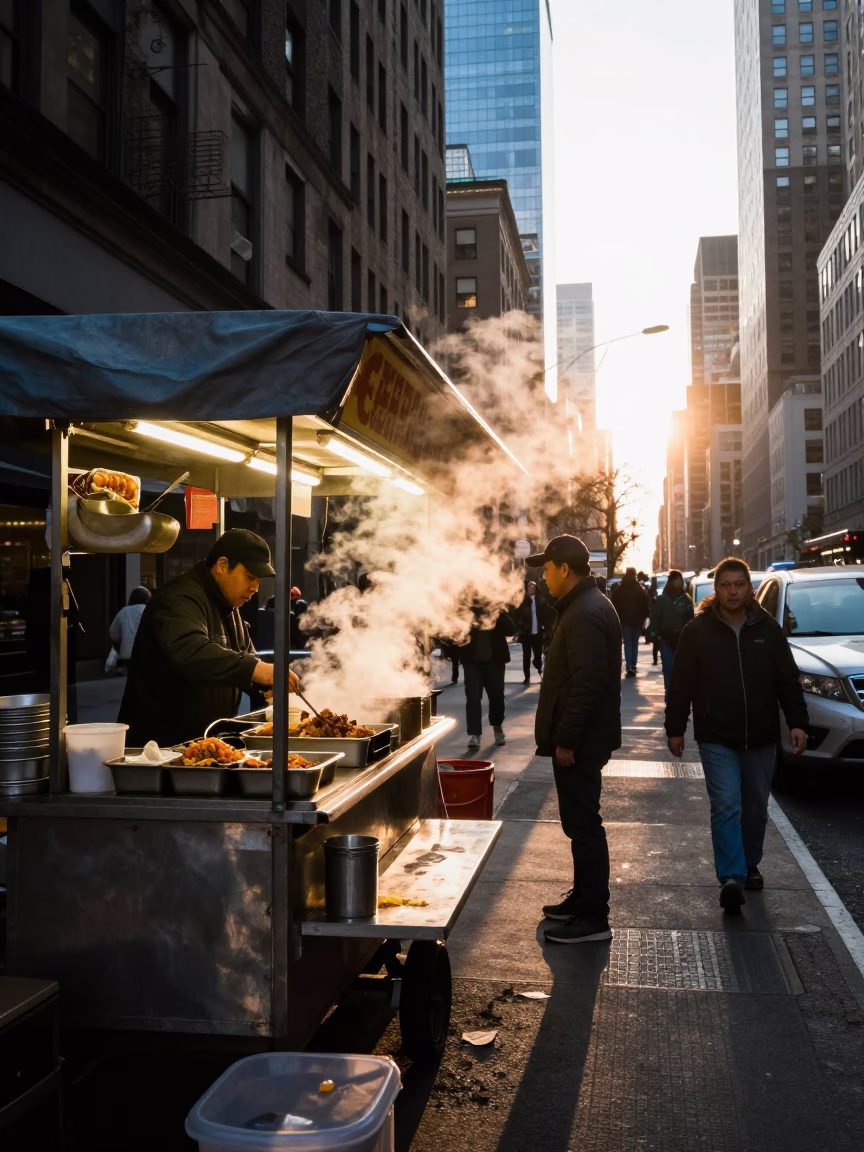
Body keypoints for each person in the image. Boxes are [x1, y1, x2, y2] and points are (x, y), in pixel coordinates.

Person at [665, 557, 808, 913]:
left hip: (761, 735)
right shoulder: (697, 631)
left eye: (739, 585)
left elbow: (787, 680)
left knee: (755, 807)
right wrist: (675, 728)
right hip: (717, 736)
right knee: (727, 804)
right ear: (716, 590)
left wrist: (797, 722)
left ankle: (749, 863)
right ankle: (731, 876)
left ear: (750, 589)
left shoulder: (767, 629)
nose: (732, 591)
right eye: (726, 585)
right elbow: (681, 684)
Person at [119, 529, 299, 746]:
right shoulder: (178, 598)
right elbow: (191, 651)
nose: (254, 588)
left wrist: (265, 687)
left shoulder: (230, 606)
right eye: (250, 577)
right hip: (159, 747)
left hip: (204, 742)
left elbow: (243, 660)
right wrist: (257, 669)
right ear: (222, 565)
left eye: (258, 580)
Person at [529, 535, 622, 945]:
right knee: (578, 822)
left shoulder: (585, 612)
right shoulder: (584, 605)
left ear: (564, 568)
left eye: (547, 569)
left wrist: (566, 740)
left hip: (582, 741)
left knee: (584, 825)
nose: (544, 577)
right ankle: (583, 898)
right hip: (584, 737)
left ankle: (593, 917)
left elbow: (587, 684)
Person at [459, 602, 516, 748]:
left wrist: (501, 613)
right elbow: (456, 635)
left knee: (497, 697)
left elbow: (511, 630)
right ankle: (475, 734)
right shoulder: (468, 611)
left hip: (494, 662)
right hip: (472, 663)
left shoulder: (497, 611)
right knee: (473, 698)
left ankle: (497, 727)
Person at [648, 569, 693, 694]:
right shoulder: (662, 599)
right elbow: (656, 617)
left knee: (678, 670)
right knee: (669, 668)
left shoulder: (685, 599)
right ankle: (670, 695)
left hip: (680, 639)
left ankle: (677, 694)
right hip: (667, 639)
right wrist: (652, 632)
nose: (678, 583)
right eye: (676, 580)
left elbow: (691, 619)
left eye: (679, 580)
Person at [610, 568, 650, 677]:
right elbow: (645, 605)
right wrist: (645, 617)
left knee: (627, 643)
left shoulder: (619, 589)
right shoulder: (639, 589)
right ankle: (633, 665)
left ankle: (629, 666)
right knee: (634, 643)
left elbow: (613, 604)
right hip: (637, 621)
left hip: (623, 621)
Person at [515, 579, 552, 685]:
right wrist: (518, 630)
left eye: (533, 588)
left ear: (536, 589)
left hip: (538, 633)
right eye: (529, 587)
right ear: (527, 589)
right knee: (526, 656)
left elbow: (545, 616)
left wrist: (547, 629)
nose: (531, 589)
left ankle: (540, 671)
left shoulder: (540, 602)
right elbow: (519, 617)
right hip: (526, 633)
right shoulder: (523, 602)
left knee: (538, 655)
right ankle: (527, 677)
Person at [108, 586, 151, 672]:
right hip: (146, 655)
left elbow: (113, 634)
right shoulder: (150, 611)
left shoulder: (124, 611)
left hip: (126, 656)